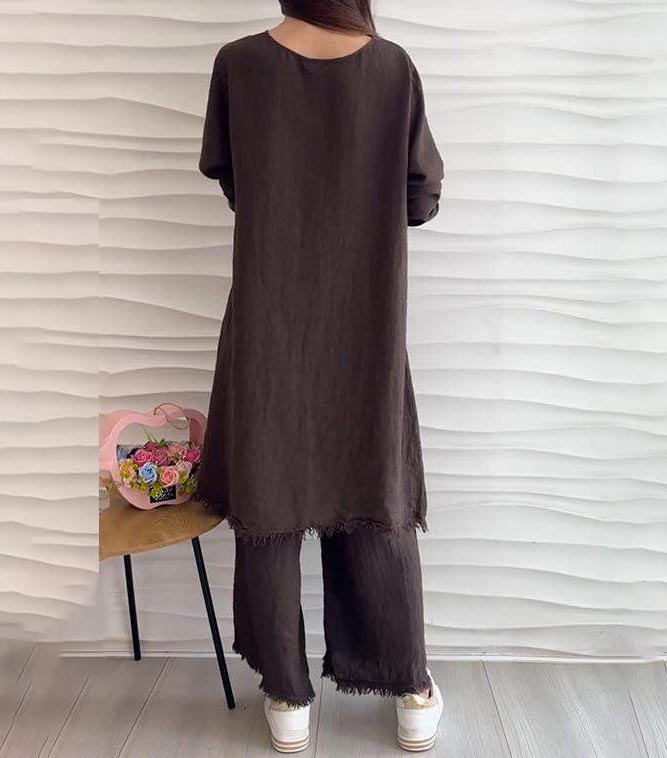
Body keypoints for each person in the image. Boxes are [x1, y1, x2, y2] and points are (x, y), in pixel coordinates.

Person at [196, 1, 444, 752]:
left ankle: (286, 697)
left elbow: (233, 180)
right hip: (366, 321)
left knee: (269, 489)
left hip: (269, 317)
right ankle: (410, 690)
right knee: (373, 485)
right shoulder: (392, 67)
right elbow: (421, 197)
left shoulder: (239, 63)